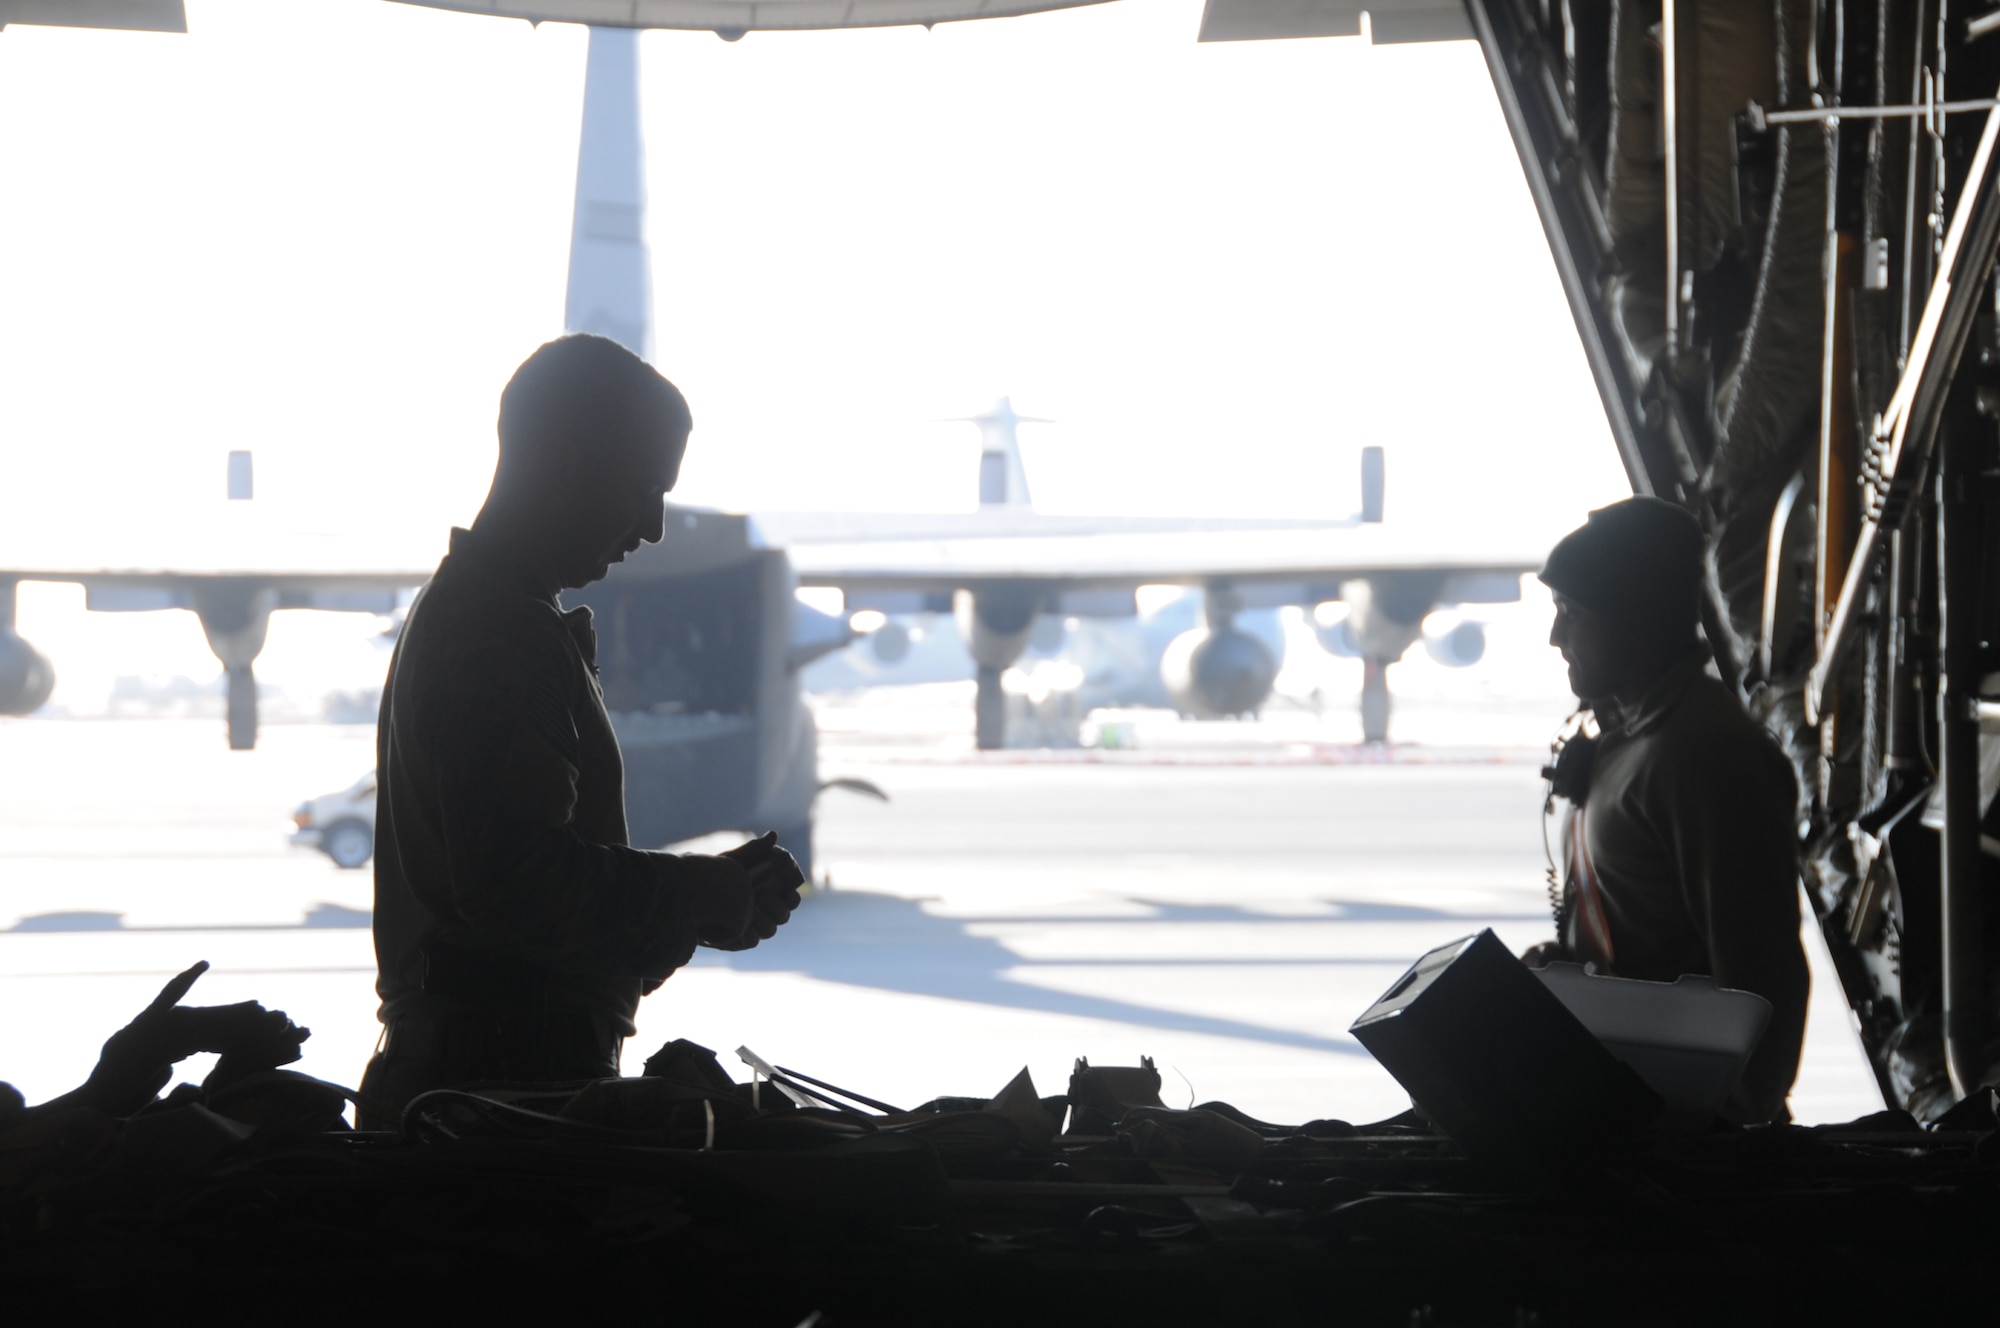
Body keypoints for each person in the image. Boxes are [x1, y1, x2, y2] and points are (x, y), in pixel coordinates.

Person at [358, 336, 804, 1126]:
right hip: (499, 1110)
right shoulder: (500, 637)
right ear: (566, 461)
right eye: (643, 488)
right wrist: (697, 895)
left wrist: (696, 907)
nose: (655, 527)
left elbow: (513, 915)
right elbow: (515, 889)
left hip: (483, 1092)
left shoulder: (485, 617)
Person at [1523, 497, 1808, 1124]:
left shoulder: (1699, 756)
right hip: (1632, 1098)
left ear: (1635, 617)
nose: (1556, 636)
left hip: (1680, 1127)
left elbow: (1760, 967)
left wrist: (1739, 1121)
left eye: (1573, 613)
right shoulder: (1628, 743)